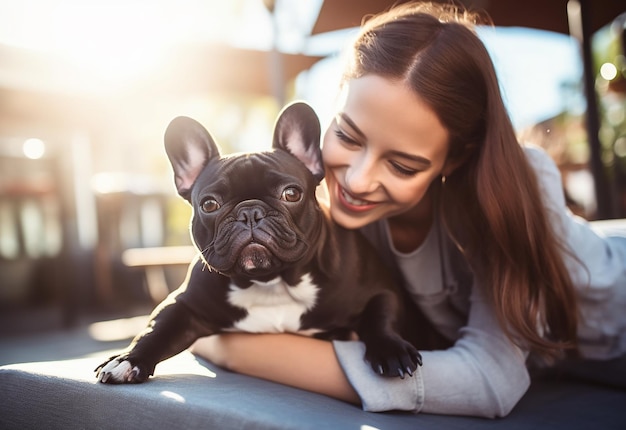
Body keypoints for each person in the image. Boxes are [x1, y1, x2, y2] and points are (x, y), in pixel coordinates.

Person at [190, 1, 626, 418]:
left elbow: (488, 382)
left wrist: (229, 347)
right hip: (557, 375)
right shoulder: (325, 212)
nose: (357, 180)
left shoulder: (513, 193)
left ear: (454, 160)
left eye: (401, 165)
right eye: (347, 136)